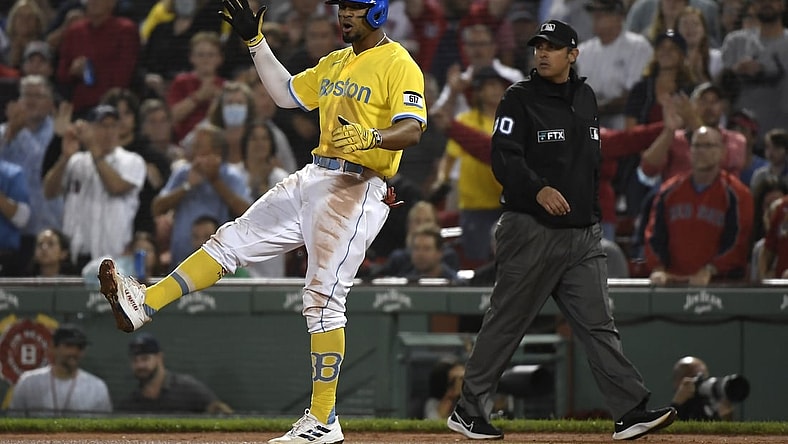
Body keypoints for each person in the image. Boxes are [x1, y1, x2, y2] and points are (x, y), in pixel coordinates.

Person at [98, 1, 426, 443]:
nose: (344, 14)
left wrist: (372, 136)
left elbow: (412, 129)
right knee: (230, 240)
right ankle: (147, 302)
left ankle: (323, 421)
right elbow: (287, 93)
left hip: (357, 186)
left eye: (355, 7)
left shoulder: (399, 63)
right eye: (342, 7)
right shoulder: (337, 60)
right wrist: (255, 42)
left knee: (323, 298)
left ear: (379, 12)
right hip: (315, 175)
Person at [446, 20, 677, 441]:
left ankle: (629, 410)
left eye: (552, 47)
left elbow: (591, 163)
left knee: (598, 324)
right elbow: (504, 159)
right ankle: (468, 409)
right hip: (531, 228)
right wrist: (538, 190)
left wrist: (590, 214)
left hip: (582, 235)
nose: (542, 53)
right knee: (507, 323)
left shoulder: (587, 97)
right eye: (538, 46)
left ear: (573, 54)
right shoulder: (518, 98)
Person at [42, 104, 146, 270]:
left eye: (113, 126)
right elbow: (49, 191)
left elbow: (115, 187)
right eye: (102, 125)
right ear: (89, 127)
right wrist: (65, 157)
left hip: (115, 258)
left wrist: (93, 149)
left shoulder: (132, 161)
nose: (109, 131)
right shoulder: (77, 161)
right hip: (76, 255)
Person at [645, 126, 754, 285]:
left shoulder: (738, 194)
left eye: (709, 146)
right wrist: (658, 267)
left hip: (720, 284)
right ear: (689, 151)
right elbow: (654, 233)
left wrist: (710, 270)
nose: (701, 151)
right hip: (672, 282)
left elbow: (738, 241)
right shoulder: (669, 191)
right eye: (697, 146)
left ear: (722, 152)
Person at [8, 324, 112, 416]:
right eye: (69, 346)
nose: (74, 352)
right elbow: (14, 424)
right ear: (53, 347)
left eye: (80, 347)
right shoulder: (28, 382)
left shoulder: (97, 387)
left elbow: (104, 431)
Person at [117, 332, 233, 414]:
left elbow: (220, 411)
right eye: (135, 361)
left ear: (159, 358)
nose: (140, 365)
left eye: (145, 359)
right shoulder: (131, 403)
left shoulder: (187, 388)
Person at [670, 356, 733, 421]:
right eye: (696, 377)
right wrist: (676, 405)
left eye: (704, 378)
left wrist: (726, 417)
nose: (701, 382)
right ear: (678, 381)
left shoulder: (711, 409)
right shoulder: (675, 410)